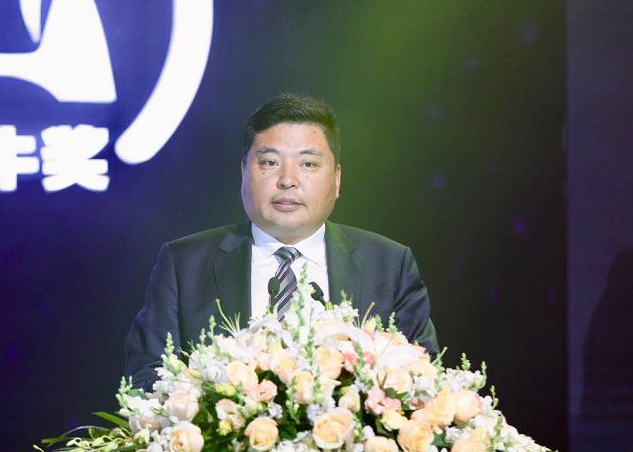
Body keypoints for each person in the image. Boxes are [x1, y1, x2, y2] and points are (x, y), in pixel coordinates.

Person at [124, 93, 438, 389]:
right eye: (270, 163)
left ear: (337, 179)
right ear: (244, 172)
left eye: (308, 164)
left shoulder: (388, 265)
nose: (287, 180)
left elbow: (423, 380)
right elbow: (148, 378)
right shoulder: (184, 264)